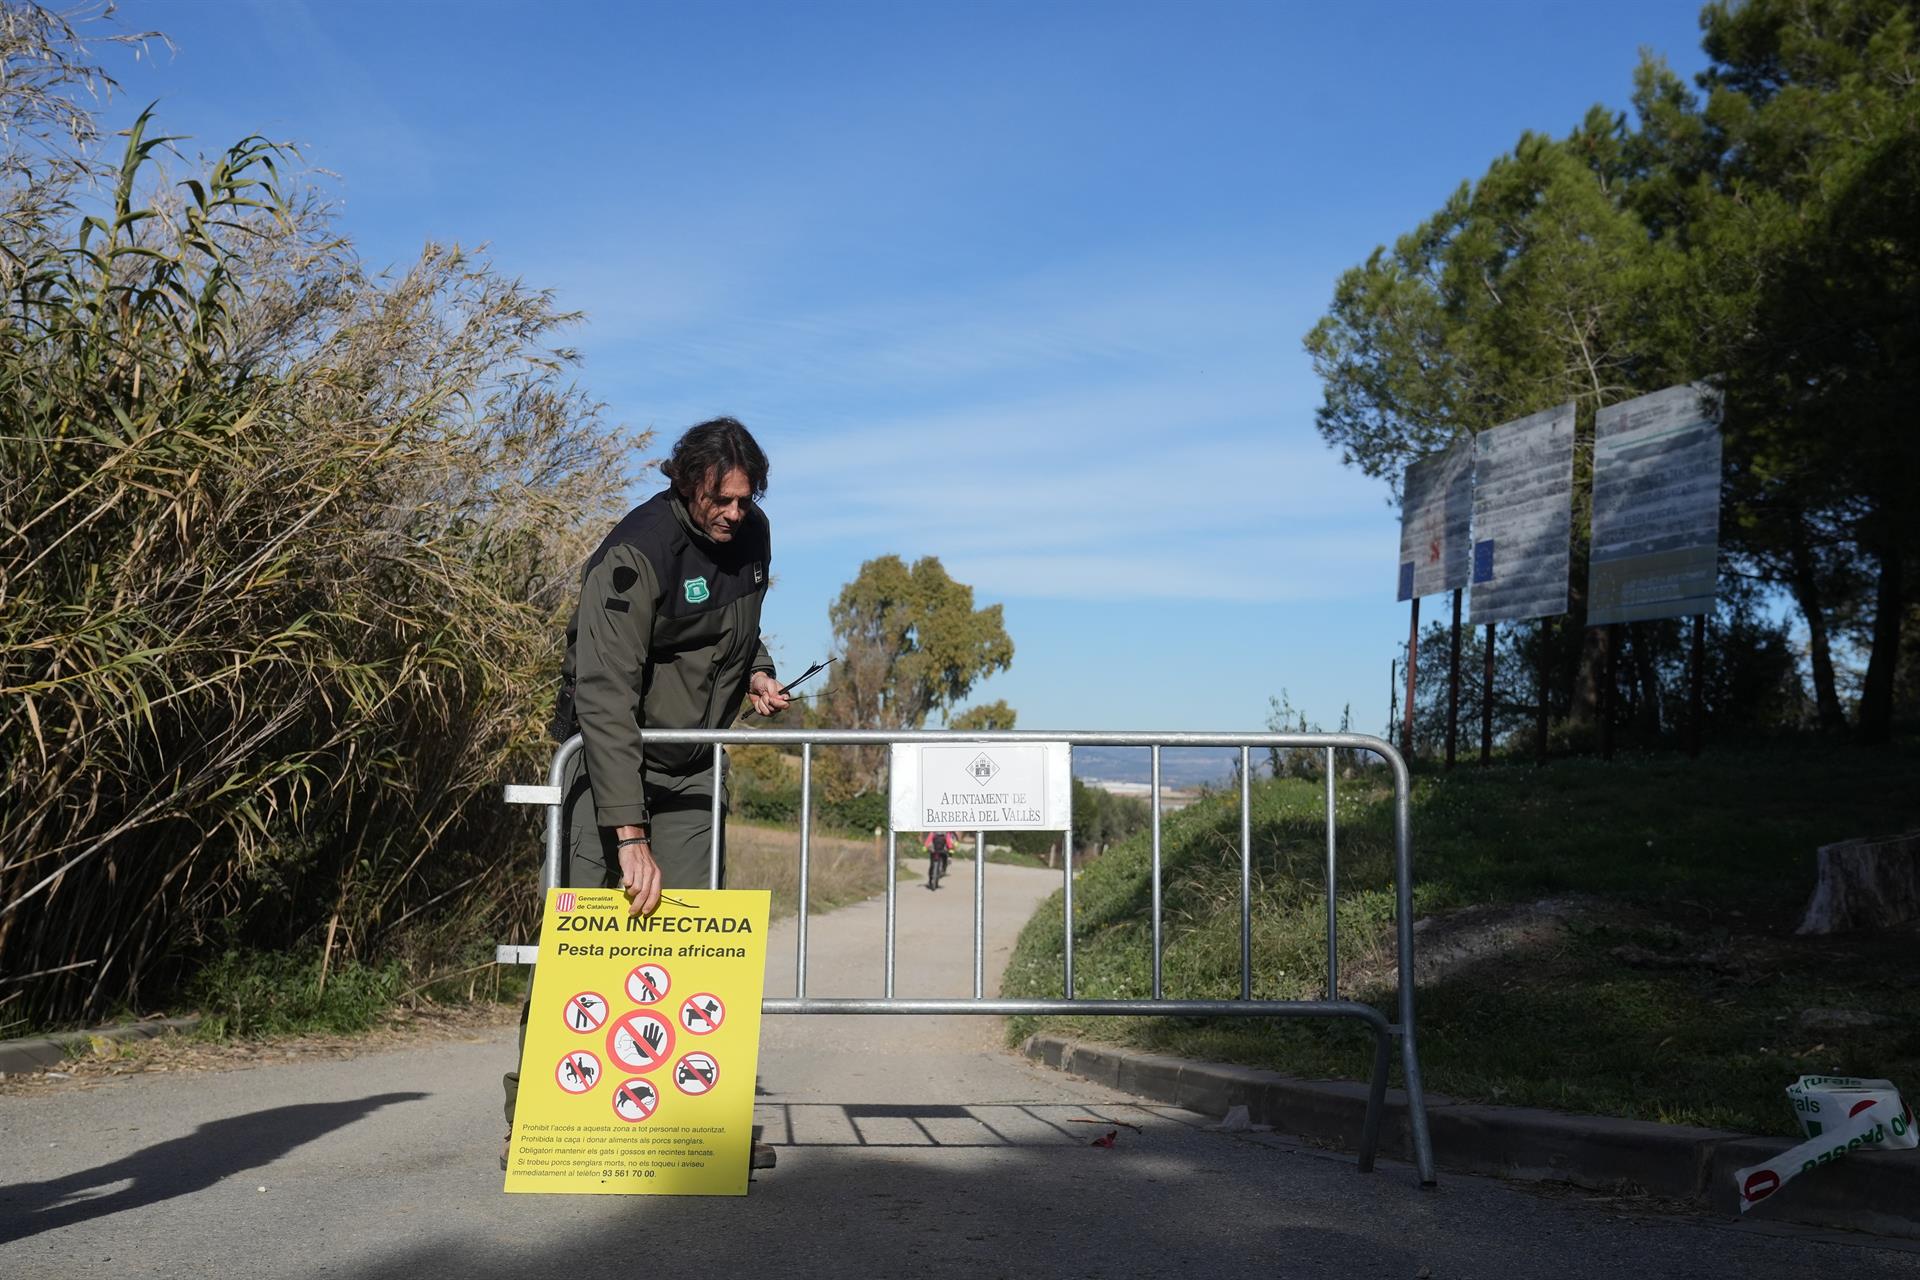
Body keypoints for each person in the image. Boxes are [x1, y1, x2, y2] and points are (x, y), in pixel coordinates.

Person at [502, 417, 790, 1168]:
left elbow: (735, 624)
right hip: (608, 760)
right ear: (687, 485)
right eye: (721, 499)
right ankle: (535, 1117)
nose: (736, 513)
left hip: (692, 764)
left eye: (746, 499)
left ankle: (697, 1128)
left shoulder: (752, 536)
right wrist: (629, 835)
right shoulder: (636, 552)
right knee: (583, 944)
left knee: (692, 941)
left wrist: (757, 671)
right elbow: (603, 694)